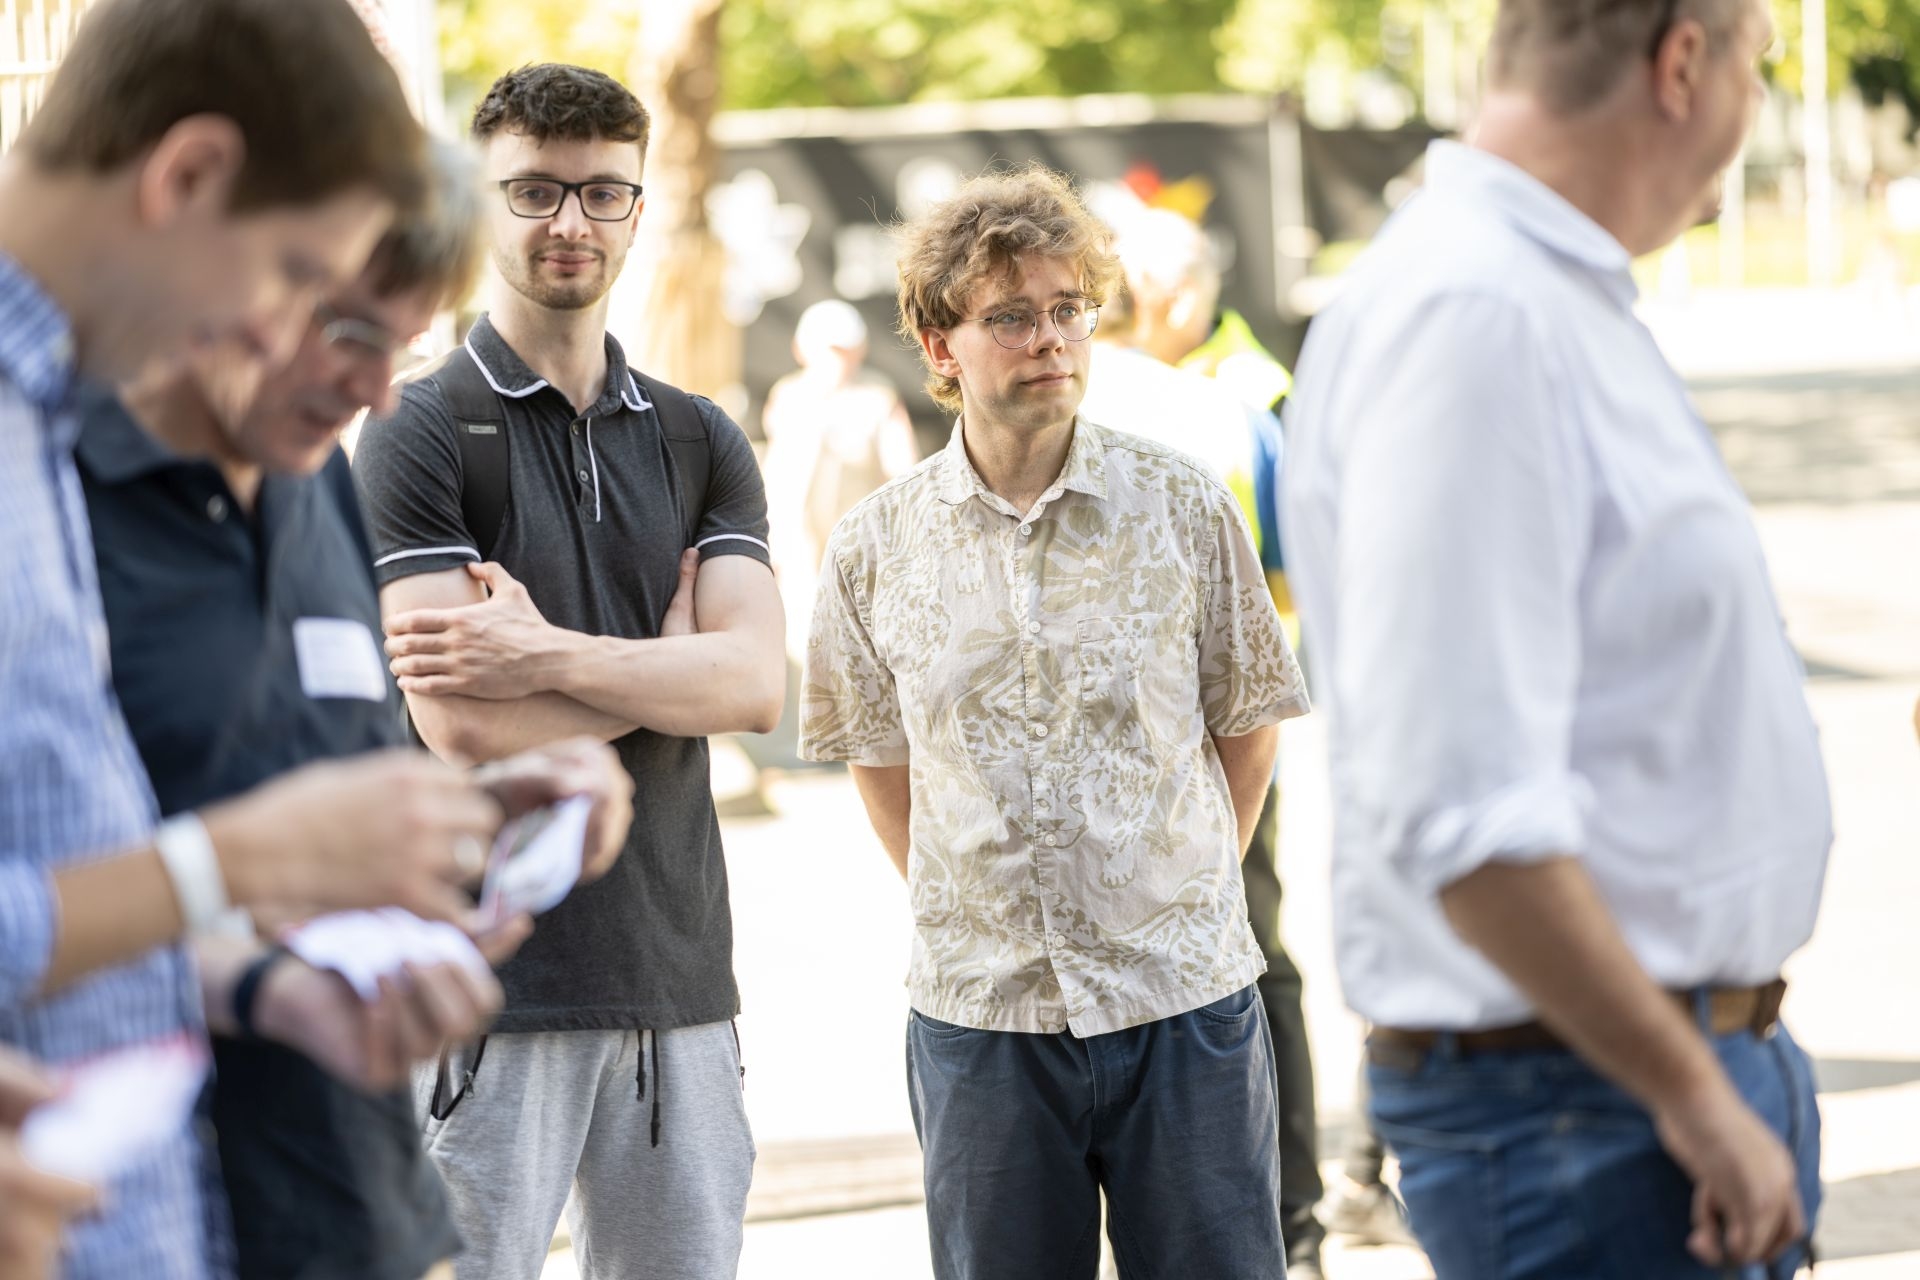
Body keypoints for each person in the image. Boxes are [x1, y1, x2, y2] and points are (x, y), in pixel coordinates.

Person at [1281, 0, 1826, 1275]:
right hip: (1594, 1109)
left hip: (1629, 1088)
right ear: (1681, 63)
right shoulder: (1476, 311)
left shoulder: (1531, 295)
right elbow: (1467, 809)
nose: (1758, 101)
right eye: (1757, 60)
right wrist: (1693, 1092)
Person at [0, 3, 524, 1275]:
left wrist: (265, 982)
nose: (269, 332)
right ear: (189, 178)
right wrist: (234, 858)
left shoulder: (35, 422)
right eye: (299, 281)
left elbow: (61, 878)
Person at [79, 138, 635, 1280]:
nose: (380, 391)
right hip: (132, 1201)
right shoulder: (57, 502)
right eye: (352, 334)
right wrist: (259, 961)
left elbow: (337, 787)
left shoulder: (315, 483)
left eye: (405, 345)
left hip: (351, 1196)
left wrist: (482, 818)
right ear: (234, 277)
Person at [800, 164, 1310, 1280]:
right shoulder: (876, 546)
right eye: (1011, 316)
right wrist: (981, 904)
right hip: (981, 1016)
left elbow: (1248, 724)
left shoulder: (1183, 504)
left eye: (1069, 308)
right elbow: (877, 760)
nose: (1050, 340)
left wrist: (1177, 888)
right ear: (938, 345)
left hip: (1183, 1002)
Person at [354, 64, 784, 1280]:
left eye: (603, 193)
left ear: (639, 207)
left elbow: (755, 688)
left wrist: (542, 654)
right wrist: (669, 669)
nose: (571, 222)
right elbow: (462, 723)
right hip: (489, 991)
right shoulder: (418, 428)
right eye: (534, 190)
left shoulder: (700, 437)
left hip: (679, 985)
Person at [1081, 207, 1328, 1279]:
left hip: (1178, 739)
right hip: (1220, 737)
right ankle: (1292, 1222)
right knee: (1249, 961)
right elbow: (1289, 577)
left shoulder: (1213, 398)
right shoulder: (1225, 404)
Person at [762, 299, 917, 663]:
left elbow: (904, 470)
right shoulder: (788, 396)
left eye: (844, 350)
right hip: (799, 551)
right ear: (801, 349)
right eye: (828, 349)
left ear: (860, 350)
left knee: (856, 649)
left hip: (858, 549)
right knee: (803, 648)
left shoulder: (878, 397)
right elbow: (778, 475)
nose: (836, 360)